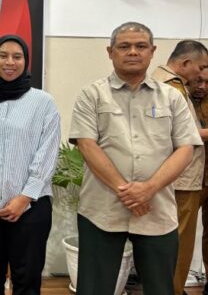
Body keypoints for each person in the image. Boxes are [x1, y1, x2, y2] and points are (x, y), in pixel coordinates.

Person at [69, 22, 202, 295]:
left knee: (161, 288)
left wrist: (148, 189)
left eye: (140, 46)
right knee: (94, 289)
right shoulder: (91, 95)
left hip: (157, 210)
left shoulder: (171, 98)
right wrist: (129, 192)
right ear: (110, 52)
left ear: (152, 51)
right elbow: (87, 145)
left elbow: (185, 148)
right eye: (124, 46)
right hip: (102, 210)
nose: (133, 52)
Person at [0, 35, 60, 295]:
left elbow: (47, 153)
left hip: (31, 208)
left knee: (26, 281)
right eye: (3, 56)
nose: (10, 62)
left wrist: (24, 198)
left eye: (17, 57)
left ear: (26, 62)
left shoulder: (43, 103)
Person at [150, 40, 208, 295]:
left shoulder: (164, 82)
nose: (201, 75)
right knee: (180, 242)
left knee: (172, 239)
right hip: (182, 176)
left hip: (177, 175)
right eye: (201, 67)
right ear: (186, 63)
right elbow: (187, 134)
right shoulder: (171, 86)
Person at [188, 68, 208, 295]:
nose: (202, 87)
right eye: (198, 80)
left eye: (207, 83)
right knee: (181, 234)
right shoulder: (178, 96)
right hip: (188, 178)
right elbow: (185, 133)